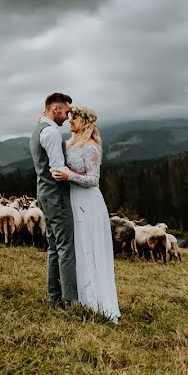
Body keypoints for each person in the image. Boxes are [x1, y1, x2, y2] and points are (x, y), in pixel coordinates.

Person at [51, 106, 120, 322]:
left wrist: (69, 175)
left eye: (75, 118)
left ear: (86, 122)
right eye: (69, 117)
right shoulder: (71, 144)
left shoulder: (90, 148)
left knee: (89, 247)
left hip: (88, 203)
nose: (70, 121)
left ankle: (97, 302)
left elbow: (93, 180)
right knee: (78, 249)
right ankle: (80, 299)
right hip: (73, 200)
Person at [29, 92, 77, 307]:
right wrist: (79, 176)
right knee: (65, 246)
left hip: (44, 193)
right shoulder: (51, 133)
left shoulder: (39, 129)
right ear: (55, 108)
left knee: (54, 246)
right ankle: (68, 300)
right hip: (56, 195)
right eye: (66, 112)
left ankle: (55, 297)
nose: (68, 117)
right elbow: (58, 170)